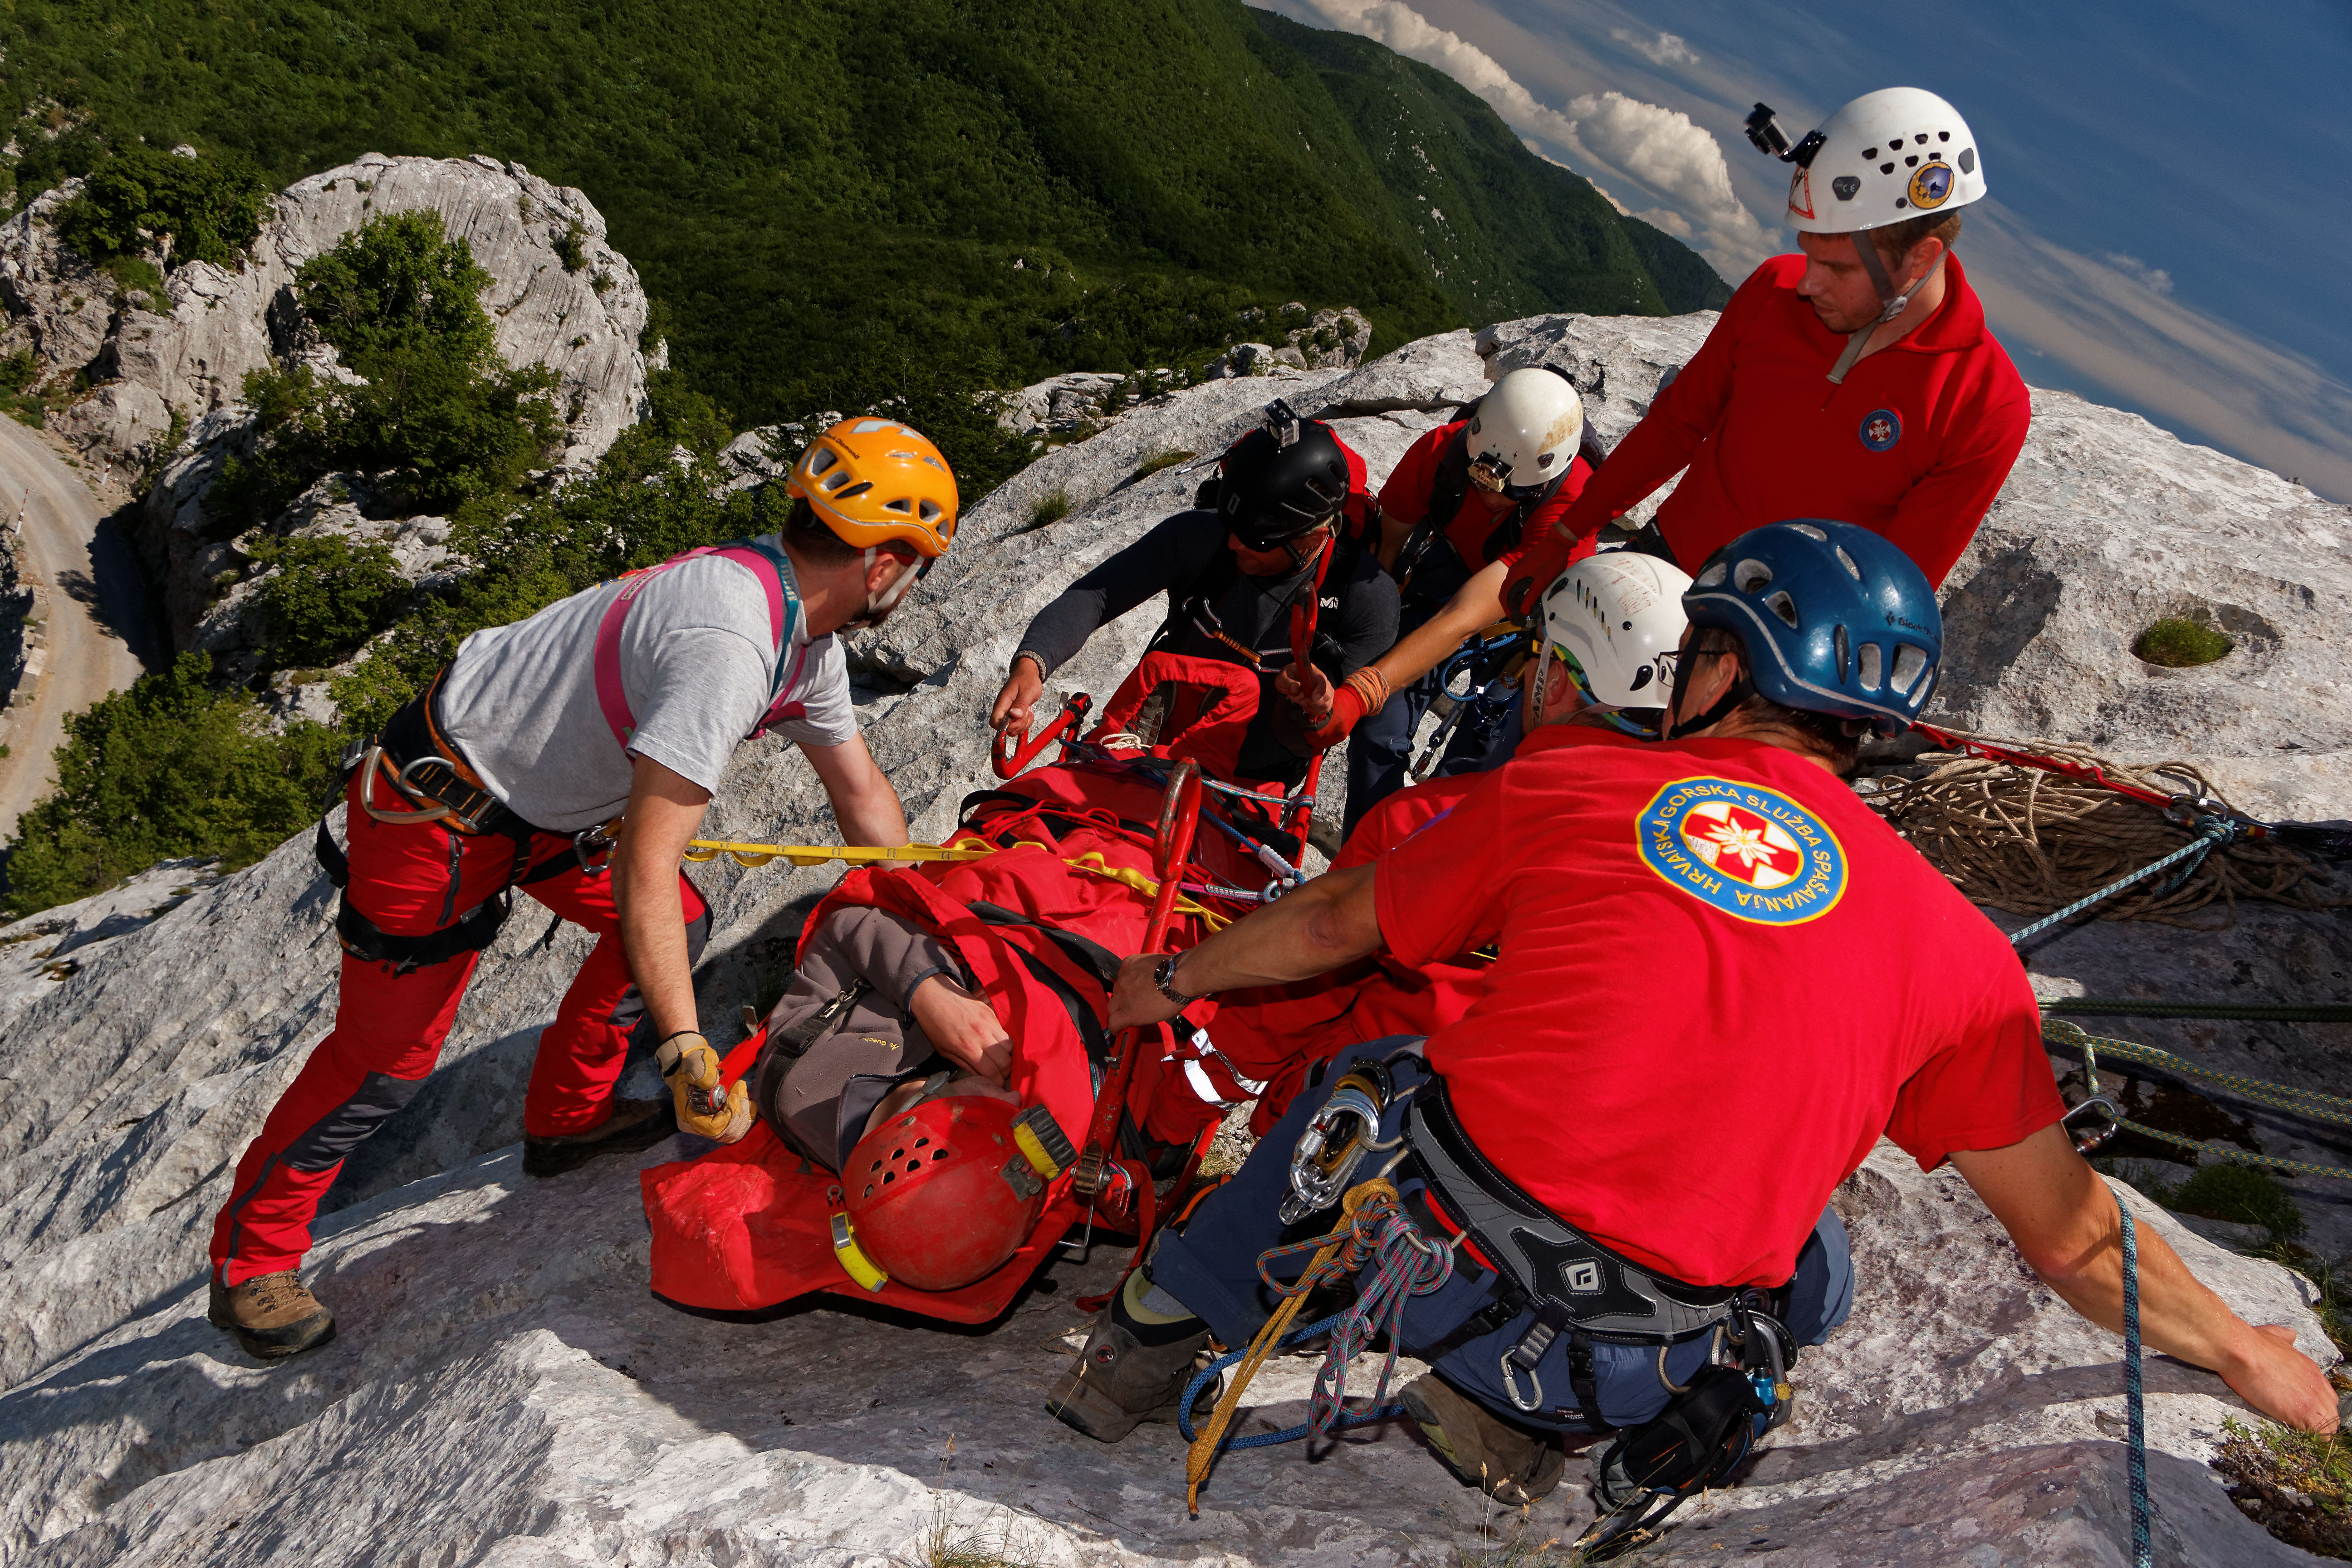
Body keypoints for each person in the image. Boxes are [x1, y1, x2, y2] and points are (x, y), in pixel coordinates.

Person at [1048, 519, 2334, 1512]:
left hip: (1423, 1260)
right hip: (1630, 1365)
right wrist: (2239, 1352)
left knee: (1384, 1076)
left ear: (1721, 667)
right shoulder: (1964, 956)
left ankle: (1150, 1342)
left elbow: (1335, 924)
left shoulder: (1576, 794)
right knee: (1813, 1262)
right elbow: (2073, 1239)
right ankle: (1504, 1420)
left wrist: (1173, 979)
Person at [206, 418, 966, 1361]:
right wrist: (686, 1048)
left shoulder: (799, 637)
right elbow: (644, 864)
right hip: (438, 813)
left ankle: (565, 1122)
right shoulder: (729, 645)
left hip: (535, 809)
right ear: (886, 564)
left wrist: (936, 924)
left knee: (682, 921)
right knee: (384, 1066)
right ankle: (251, 1262)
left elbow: (863, 798)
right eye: (919, 563)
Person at [1493, 87, 2028, 628]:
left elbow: (1893, 588)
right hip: (1665, 568)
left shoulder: (1983, 407)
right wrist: (1566, 533)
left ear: (1921, 259)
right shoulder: (1775, 289)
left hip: (1778, 638)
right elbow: (1678, 425)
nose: (1807, 281)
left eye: (1837, 268)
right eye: (1807, 250)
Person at [1208, 552, 1691, 1133]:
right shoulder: (1704, 872)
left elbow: (1308, 977)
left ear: (1557, 678)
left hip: (1359, 1127)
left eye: (1535, 657)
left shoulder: (1427, 822)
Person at [990, 401, 1397, 794]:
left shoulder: (1365, 600)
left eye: (1255, 537)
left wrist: (1318, 704)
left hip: (1251, 783)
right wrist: (1032, 664)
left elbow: (1333, 723)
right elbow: (1097, 595)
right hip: (1148, 750)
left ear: (1312, 537)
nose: (1234, 542)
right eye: (1229, 521)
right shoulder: (1201, 538)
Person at [1317, 367, 1598, 833]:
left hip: (1530, 619)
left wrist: (1366, 687)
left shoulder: (1570, 512)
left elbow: (1465, 618)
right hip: (1447, 573)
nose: (1489, 496)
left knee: (1471, 775)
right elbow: (1386, 552)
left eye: (1509, 492)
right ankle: (1360, 863)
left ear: (1542, 483)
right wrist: (1369, 644)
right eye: (1481, 481)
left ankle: (1423, 870)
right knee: (1377, 732)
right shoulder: (1443, 452)